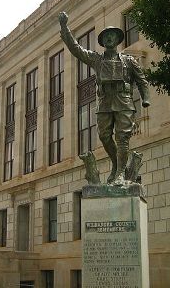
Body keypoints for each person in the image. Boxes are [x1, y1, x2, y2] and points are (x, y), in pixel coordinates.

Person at [59, 11, 150, 184]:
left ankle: (121, 173)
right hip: (105, 102)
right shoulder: (96, 59)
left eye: (112, 35)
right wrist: (64, 27)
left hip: (124, 101)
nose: (109, 38)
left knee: (122, 138)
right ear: (103, 41)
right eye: (106, 36)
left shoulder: (129, 60)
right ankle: (116, 164)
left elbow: (142, 80)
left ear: (117, 39)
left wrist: (146, 98)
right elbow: (76, 49)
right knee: (104, 136)